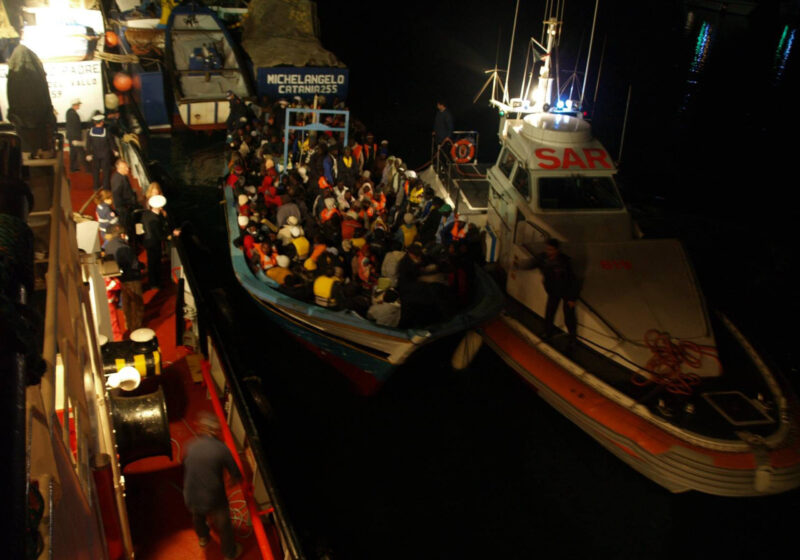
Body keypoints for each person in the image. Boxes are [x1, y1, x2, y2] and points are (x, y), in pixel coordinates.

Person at [182, 411, 243, 560]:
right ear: (216, 431)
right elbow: (235, 474)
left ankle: (203, 538)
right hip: (213, 499)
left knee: (198, 517)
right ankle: (230, 553)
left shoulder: (190, 446)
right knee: (224, 524)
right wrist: (234, 481)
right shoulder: (221, 449)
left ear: (201, 429)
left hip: (190, 495)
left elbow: (185, 466)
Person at [525, 238, 579, 344]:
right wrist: (518, 265)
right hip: (553, 290)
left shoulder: (565, 261)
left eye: (551, 250)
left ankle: (572, 337)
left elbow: (573, 280)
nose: (548, 252)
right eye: (547, 249)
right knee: (550, 312)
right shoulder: (543, 258)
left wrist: (572, 298)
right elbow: (531, 264)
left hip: (566, 291)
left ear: (557, 250)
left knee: (569, 315)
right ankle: (548, 332)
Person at [103, 225, 144, 334]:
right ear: (122, 235)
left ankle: (128, 323)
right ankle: (136, 327)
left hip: (121, 279)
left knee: (126, 302)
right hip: (132, 278)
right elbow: (134, 264)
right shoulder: (125, 248)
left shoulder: (109, 246)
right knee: (136, 303)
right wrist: (141, 266)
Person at [140, 195, 169, 288]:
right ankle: (155, 283)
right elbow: (160, 235)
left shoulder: (145, 214)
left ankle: (153, 282)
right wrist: (169, 235)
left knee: (151, 263)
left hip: (147, 242)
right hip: (155, 243)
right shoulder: (155, 219)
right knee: (155, 263)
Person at [86, 112, 118, 191]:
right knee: (106, 171)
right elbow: (111, 142)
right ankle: (106, 187)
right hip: (105, 155)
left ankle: (96, 187)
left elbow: (88, 145)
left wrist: (88, 154)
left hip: (95, 154)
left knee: (95, 171)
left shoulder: (89, 132)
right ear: (101, 122)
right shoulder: (106, 132)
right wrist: (115, 151)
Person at [110, 159, 139, 242]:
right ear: (119, 168)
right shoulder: (118, 180)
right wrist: (123, 208)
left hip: (126, 206)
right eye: (125, 167)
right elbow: (117, 196)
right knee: (126, 227)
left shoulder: (123, 177)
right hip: (123, 209)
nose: (127, 169)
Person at [65, 98, 84, 172]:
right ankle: (73, 168)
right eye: (78, 104)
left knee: (74, 153)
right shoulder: (71, 113)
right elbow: (73, 126)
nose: (79, 106)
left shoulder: (71, 112)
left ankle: (74, 167)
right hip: (74, 137)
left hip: (73, 136)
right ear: (75, 105)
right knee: (74, 153)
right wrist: (75, 138)